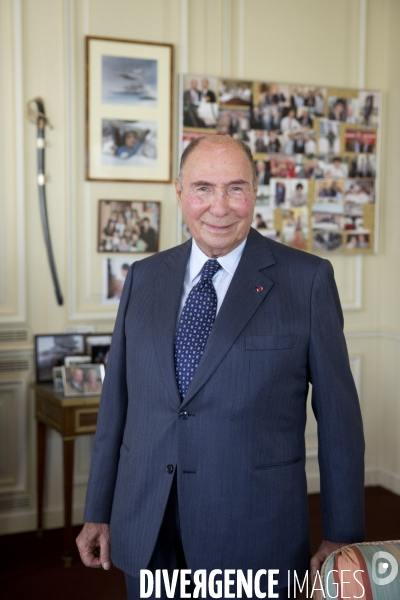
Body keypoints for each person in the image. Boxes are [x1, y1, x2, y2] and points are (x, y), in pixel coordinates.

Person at [77, 135, 365, 600]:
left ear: (255, 191)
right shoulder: (143, 277)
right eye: (203, 188)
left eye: (236, 188)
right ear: (179, 192)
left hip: (252, 531)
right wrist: (99, 509)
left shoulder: (307, 280)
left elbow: (339, 421)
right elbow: (118, 406)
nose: (219, 206)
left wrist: (343, 534)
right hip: (148, 521)